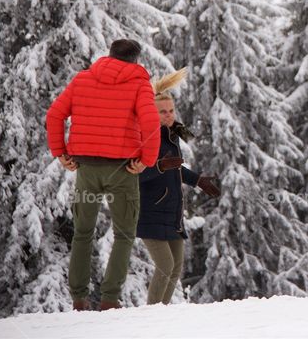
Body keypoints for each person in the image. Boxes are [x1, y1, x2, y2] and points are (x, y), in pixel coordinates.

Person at [46, 39, 160, 311]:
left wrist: (60, 153)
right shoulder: (139, 84)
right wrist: (146, 161)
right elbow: (151, 123)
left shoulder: (82, 80)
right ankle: (110, 300)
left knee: (82, 233)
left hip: (86, 170)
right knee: (124, 234)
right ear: (135, 59)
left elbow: (54, 115)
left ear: (109, 55)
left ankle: (79, 300)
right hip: (122, 170)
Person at [138, 69, 221, 305]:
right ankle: (151, 314)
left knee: (176, 268)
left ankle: (162, 314)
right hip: (149, 211)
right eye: (162, 111)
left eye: (171, 111)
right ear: (151, 113)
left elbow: (175, 167)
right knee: (165, 266)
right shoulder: (145, 135)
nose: (168, 115)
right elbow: (133, 175)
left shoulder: (172, 135)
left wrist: (198, 180)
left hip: (172, 211)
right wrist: (160, 167)